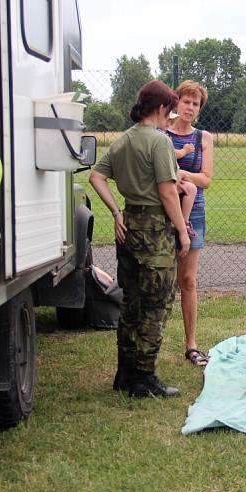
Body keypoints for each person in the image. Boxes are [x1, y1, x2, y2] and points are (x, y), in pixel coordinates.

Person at [89, 80, 191, 398]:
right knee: (156, 305)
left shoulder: (123, 141)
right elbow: (167, 191)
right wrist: (183, 231)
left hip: (129, 224)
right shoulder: (158, 142)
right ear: (161, 109)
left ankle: (125, 373)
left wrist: (117, 212)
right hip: (155, 230)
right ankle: (144, 378)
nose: (170, 116)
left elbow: (96, 176)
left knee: (131, 304)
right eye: (169, 110)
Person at [166, 80, 214, 367]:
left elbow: (206, 179)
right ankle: (151, 341)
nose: (190, 107)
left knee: (188, 279)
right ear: (176, 102)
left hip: (193, 213)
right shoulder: (161, 133)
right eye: (186, 101)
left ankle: (191, 345)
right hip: (164, 211)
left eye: (195, 104)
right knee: (162, 281)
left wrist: (182, 172)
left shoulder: (203, 138)